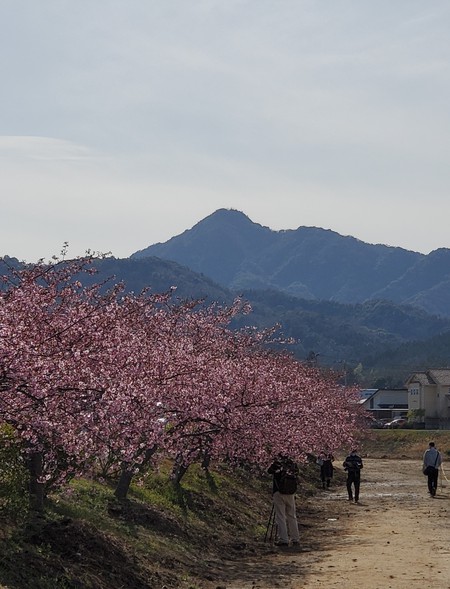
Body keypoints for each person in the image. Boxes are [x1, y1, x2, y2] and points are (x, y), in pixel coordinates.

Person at [267, 454, 300, 547]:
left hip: (278, 492)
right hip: (290, 492)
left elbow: (269, 471)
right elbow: (297, 474)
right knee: (292, 516)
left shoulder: (277, 463)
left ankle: (283, 539)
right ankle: (295, 539)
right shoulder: (292, 463)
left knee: (280, 516)